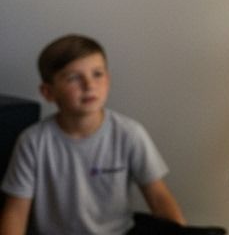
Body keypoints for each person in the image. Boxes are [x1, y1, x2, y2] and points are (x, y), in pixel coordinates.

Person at [0, 34, 186, 235]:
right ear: (48, 92)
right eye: (73, 78)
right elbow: (16, 213)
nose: (89, 85)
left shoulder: (130, 134)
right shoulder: (33, 142)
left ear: (108, 80)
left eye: (97, 74)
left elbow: (159, 198)